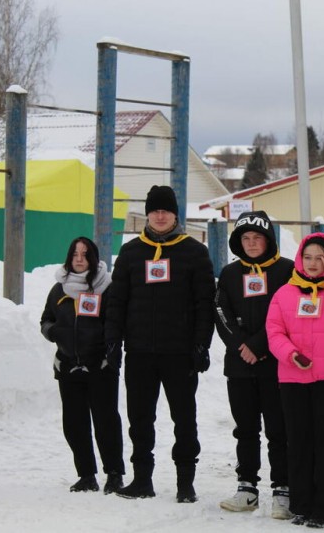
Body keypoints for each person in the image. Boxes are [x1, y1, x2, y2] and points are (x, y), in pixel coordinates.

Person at [105, 185, 215, 502]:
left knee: (184, 419)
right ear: (148, 214)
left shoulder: (194, 252)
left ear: (175, 214)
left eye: (165, 210)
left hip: (179, 352)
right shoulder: (130, 252)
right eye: (155, 210)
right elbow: (117, 302)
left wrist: (200, 344)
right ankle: (142, 479)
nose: (160, 215)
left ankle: (185, 482)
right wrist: (113, 342)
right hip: (139, 351)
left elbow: (203, 303)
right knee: (140, 419)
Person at [265, 232, 324, 529]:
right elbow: (274, 332)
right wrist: (290, 354)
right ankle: (302, 505)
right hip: (293, 379)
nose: (313, 263)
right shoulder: (284, 294)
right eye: (308, 257)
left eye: (320, 257)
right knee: (300, 443)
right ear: (299, 259)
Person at [214, 211, 293, 519]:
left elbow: (287, 313)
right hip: (239, 367)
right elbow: (220, 311)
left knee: (278, 429)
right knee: (245, 429)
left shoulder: (286, 270)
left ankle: (283, 490)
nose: (251, 243)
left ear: (268, 240)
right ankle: (246, 488)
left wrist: (259, 345)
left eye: (257, 238)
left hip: (275, 364)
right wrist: (240, 346)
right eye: (245, 238)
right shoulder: (231, 273)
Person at [40, 236, 125, 494]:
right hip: (68, 366)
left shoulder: (106, 287)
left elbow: (114, 323)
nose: (79, 259)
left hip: (99, 366)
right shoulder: (59, 289)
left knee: (106, 422)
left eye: (85, 254)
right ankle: (86, 474)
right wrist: (55, 333)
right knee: (74, 424)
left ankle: (114, 473)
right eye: (75, 254)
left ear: (93, 258)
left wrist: (109, 354)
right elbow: (46, 320)